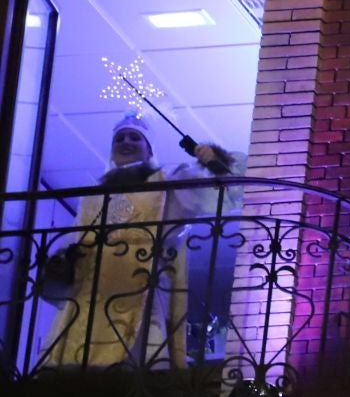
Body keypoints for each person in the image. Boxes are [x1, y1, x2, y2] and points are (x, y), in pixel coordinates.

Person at [37, 113, 243, 371]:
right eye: (120, 138)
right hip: (90, 298)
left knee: (137, 368)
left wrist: (214, 160)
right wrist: (58, 264)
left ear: (149, 149)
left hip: (142, 292)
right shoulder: (92, 198)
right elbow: (74, 241)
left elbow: (229, 188)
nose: (126, 142)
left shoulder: (168, 185)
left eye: (135, 137)